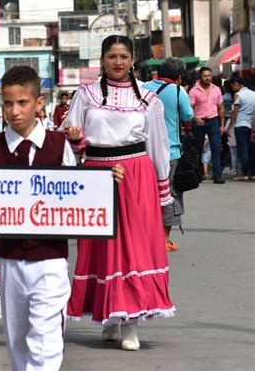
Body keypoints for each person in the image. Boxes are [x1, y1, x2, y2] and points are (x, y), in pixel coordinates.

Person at [0, 65, 125, 369]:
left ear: (39, 103)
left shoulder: (59, 147)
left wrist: (106, 181)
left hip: (50, 260)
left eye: (22, 103)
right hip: (10, 260)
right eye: (8, 103)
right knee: (18, 340)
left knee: (45, 342)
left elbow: (77, 193)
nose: (14, 111)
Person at [62, 35, 175, 351]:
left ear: (133, 60)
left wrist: (163, 188)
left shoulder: (149, 100)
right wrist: (75, 139)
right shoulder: (85, 95)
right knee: (101, 249)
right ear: (101, 59)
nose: (118, 62)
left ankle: (130, 323)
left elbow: (158, 145)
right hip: (96, 173)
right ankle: (110, 318)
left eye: (124, 56)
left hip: (136, 175)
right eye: (112, 56)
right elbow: (71, 141)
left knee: (132, 250)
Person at [142, 57, 194, 252]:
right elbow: (188, 116)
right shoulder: (178, 91)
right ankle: (164, 239)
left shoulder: (144, 87)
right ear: (179, 77)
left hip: (142, 151)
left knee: (146, 194)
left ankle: (145, 236)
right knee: (170, 193)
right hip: (170, 151)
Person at [189, 67, 226, 184]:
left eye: (209, 75)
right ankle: (198, 175)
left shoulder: (217, 90)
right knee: (198, 149)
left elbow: (221, 108)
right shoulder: (194, 91)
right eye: (205, 76)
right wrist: (195, 118)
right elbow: (189, 109)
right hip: (199, 122)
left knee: (215, 147)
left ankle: (217, 176)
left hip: (213, 120)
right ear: (200, 76)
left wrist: (222, 125)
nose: (207, 78)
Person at [227, 76, 255, 181]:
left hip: (240, 125)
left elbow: (235, 112)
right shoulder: (254, 94)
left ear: (237, 84)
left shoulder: (238, 95)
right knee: (252, 150)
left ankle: (244, 173)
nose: (233, 88)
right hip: (252, 125)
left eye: (232, 86)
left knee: (243, 150)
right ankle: (252, 172)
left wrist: (229, 127)